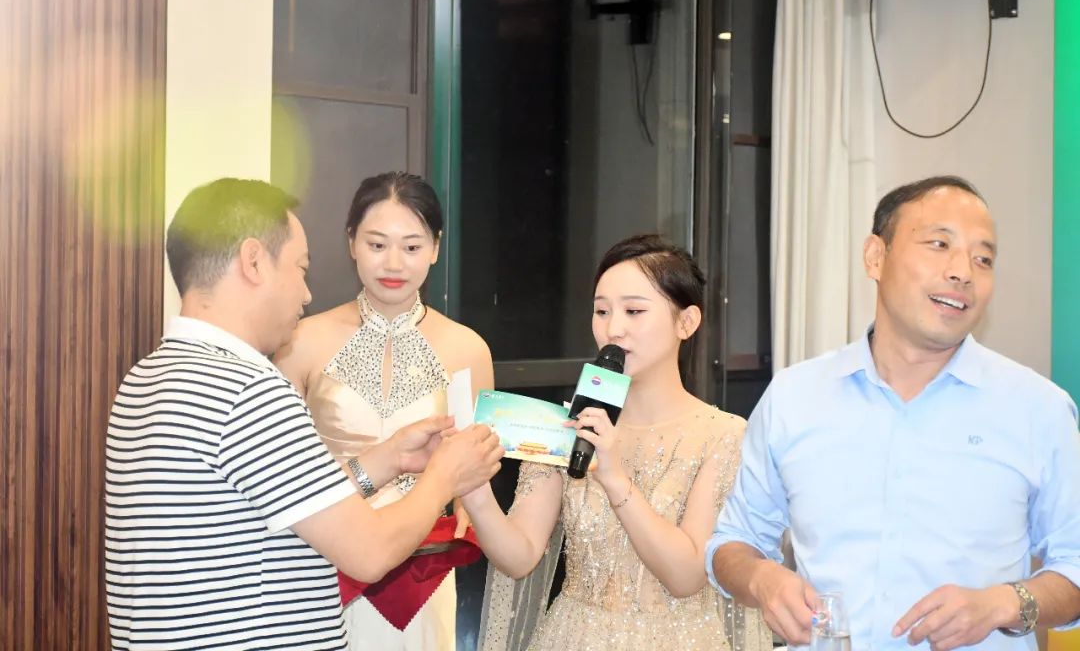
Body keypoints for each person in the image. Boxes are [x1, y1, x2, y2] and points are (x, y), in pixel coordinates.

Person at [105, 178, 503, 651]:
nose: (307, 293)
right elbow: (369, 552)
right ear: (254, 261)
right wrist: (444, 475)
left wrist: (388, 459)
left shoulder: (145, 377)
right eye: (299, 268)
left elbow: (282, 502)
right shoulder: (250, 391)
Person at [707, 176, 1080, 651]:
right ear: (875, 257)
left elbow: (1074, 566)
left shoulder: (1038, 408)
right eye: (940, 244)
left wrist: (1006, 603)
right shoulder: (794, 397)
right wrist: (761, 579)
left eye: (983, 259)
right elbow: (732, 542)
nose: (963, 272)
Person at [464, 234, 773, 651]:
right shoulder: (570, 424)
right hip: (574, 638)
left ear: (687, 322)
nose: (613, 329)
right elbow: (519, 556)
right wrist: (474, 490)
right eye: (602, 311)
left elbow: (686, 577)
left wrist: (614, 478)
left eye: (634, 311)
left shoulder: (723, 435)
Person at [274, 172, 495, 650]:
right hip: (320, 562)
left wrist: (464, 511)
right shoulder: (301, 341)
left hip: (423, 572)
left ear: (435, 248)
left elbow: (475, 471)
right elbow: (280, 468)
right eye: (377, 244)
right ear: (351, 242)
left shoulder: (468, 349)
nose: (393, 263)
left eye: (412, 247)